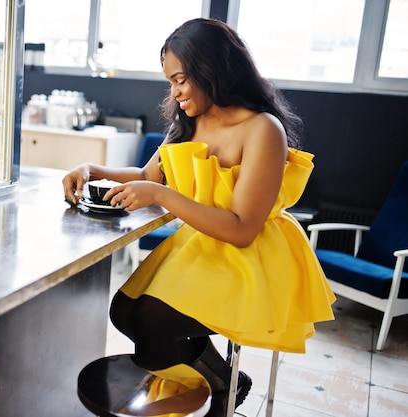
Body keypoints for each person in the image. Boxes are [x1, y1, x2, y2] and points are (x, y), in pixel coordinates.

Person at [63, 18, 336, 416]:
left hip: (252, 254)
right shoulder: (188, 121)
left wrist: (160, 194)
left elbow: (242, 228)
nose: (175, 93)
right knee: (125, 311)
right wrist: (91, 168)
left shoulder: (264, 130)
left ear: (214, 70)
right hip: (202, 244)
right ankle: (223, 379)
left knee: (155, 321)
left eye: (181, 80)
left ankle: (210, 388)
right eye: (170, 82)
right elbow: (145, 176)